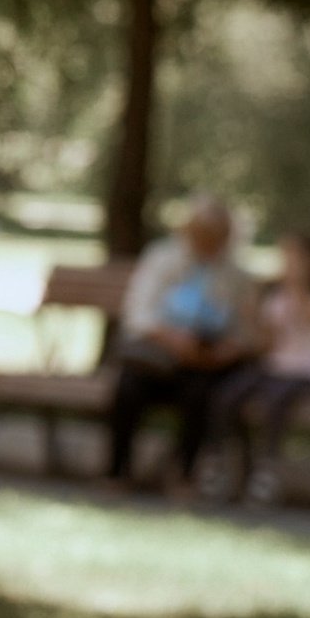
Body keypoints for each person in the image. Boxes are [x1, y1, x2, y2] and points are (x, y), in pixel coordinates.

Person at [106, 199, 262, 489]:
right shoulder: (162, 259)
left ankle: (184, 474)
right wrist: (171, 339)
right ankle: (117, 471)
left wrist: (223, 351)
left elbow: (246, 333)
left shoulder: (235, 275)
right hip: (158, 354)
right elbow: (139, 312)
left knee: (201, 393)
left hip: (204, 361)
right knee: (128, 387)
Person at [199, 228, 310, 506]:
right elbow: (266, 347)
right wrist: (254, 318)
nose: (288, 264)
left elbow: (308, 317)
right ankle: (225, 464)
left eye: (296, 258)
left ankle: (268, 471)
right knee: (229, 393)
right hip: (277, 367)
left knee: (275, 400)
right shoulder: (277, 295)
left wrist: (297, 283)